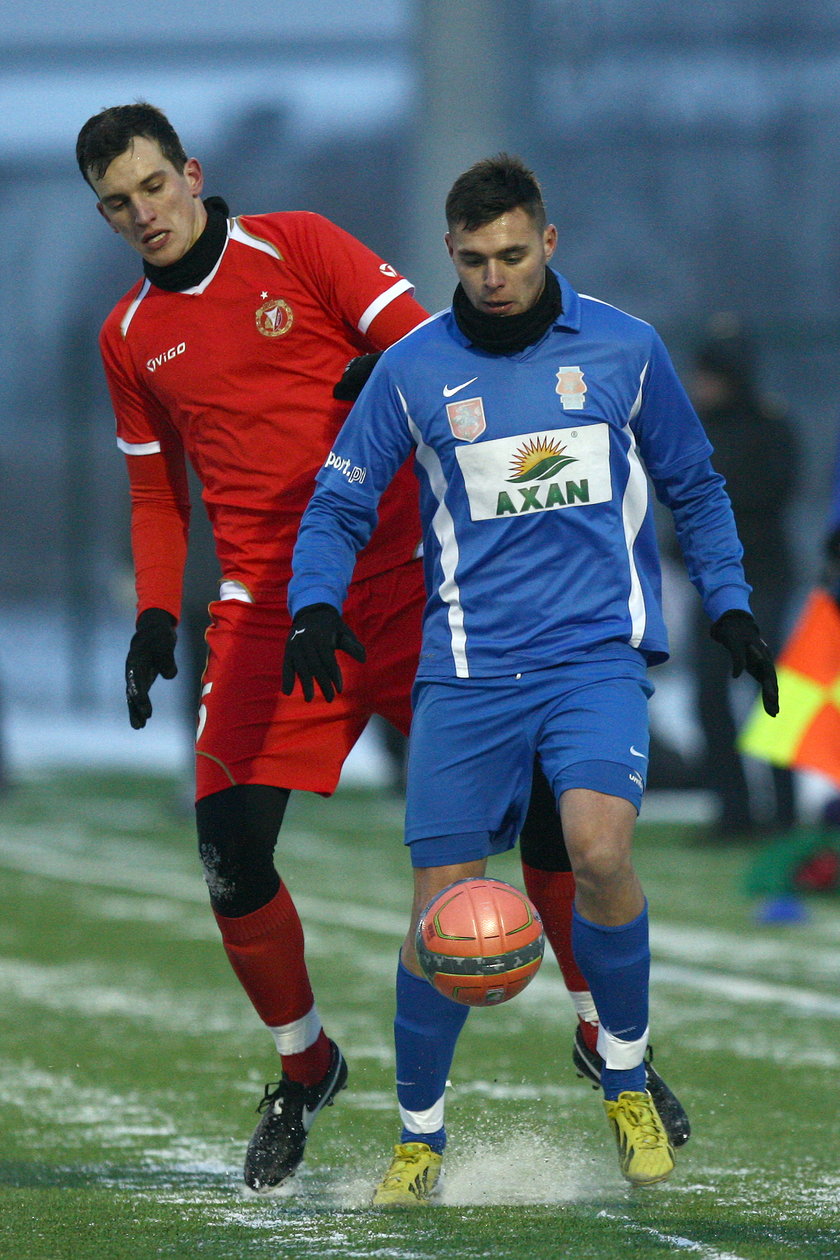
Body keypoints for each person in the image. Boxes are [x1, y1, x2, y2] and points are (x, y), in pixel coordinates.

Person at [74, 107, 686, 1195]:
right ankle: (306, 1064)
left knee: (562, 826)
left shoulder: (297, 243)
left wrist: (377, 384)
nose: (143, 215)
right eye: (118, 203)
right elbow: (151, 488)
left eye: (153, 187)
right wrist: (157, 617)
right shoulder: (129, 336)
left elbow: (420, 339)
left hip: (418, 581)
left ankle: (603, 1035)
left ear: (191, 174)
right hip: (269, 609)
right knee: (228, 848)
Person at [284, 154, 779, 1204]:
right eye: (473, 260)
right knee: (438, 918)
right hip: (463, 676)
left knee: (598, 851)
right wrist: (314, 603)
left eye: (512, 253)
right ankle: (420, 1142)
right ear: (451, 256)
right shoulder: (413, 371)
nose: (495, 275)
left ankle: (628, 1076)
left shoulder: (623, 349)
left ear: (547, 243)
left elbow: (695, 482)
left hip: (594, 659)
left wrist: (731, 602)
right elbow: (335, 505)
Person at [687, 316, 800, 837]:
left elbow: (773, 494)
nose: (698, 386)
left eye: (708, 375)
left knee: (770, 691)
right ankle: (732, 812)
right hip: (710, 582)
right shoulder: (695, 429)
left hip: (764, 576)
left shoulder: (772, 427)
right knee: (710, 694)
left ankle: (783, 811)